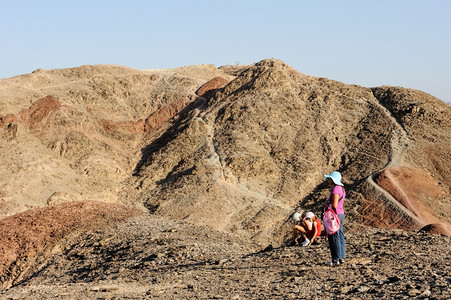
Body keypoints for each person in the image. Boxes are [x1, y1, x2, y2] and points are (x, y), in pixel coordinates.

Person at [324, 171, 346, 266]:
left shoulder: (336, 190)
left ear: (333, 180)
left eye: (329, 178)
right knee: (340, 235)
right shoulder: (341, 189)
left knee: (334, 237)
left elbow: (334, 205)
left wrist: (327, 207)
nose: (328, 180)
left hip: (335, 215)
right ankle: (341, 257)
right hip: (340, 214)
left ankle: (335, 259)